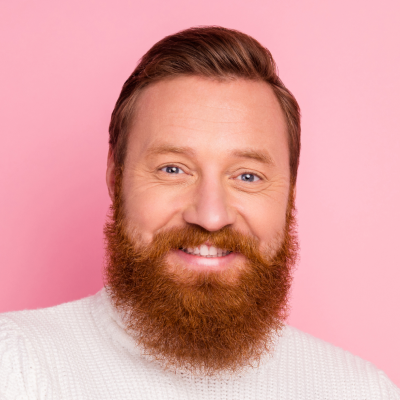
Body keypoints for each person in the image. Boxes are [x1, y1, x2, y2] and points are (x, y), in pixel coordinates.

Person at [0, 26, 398, 399]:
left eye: (247, 175)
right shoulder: (16, 366)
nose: (210, 216)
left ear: (291, 193)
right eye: (172, 169)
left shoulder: (359, 391)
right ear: (115, 177)